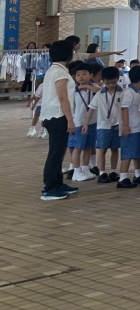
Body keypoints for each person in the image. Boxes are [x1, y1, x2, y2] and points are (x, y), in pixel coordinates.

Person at [39, 39, 78, 201]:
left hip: (52, 116)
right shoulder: (60, 73)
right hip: (58, 116)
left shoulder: (53, 70)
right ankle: (49, 187)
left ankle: (57, 183)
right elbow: (63, 98)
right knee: (56, 152)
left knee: (59, 151)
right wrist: (70, 120)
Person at [117, 66, 140, 188]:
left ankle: (138, 174)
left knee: (137, 152)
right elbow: (124, 108)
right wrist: (125, 125)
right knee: (128, 153)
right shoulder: (129, 92)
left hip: (139, 128)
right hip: (131, 129)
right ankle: (123, 178)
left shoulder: (138, 92)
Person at [92, 68, 123, 182]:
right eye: (107, 83)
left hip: (117, 125)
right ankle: (102, 172)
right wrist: (86, 123)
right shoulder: (100, 94)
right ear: (103, 80)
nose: (110, 85)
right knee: (102, 149)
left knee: (115, 149)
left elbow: (125, 110)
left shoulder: (123, 92)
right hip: (103, 125)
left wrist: (123, 123)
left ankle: (113, 171)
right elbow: (91, 108)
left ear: (118, 79)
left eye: (113, 82)